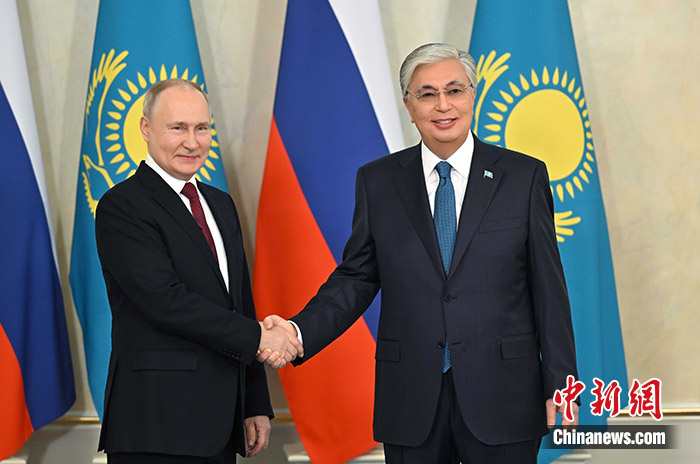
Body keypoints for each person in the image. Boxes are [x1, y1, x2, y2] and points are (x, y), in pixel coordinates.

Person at [263, 43, 579, 463]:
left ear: (473, 95)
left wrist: (562, 382)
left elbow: (548, 288)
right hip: (411, 398)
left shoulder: (524, 176)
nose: (443, 105)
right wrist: (297, 332)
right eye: (427, 94)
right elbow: (356, 278)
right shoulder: (378, 181)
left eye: (455, 90)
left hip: (504, 393)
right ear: (409, 106)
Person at [95, 78, 301, 463]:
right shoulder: (122, 206)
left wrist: (254, 401)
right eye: (178, 128)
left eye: (201, 128)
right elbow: (165, 302)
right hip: (156, 423)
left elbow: (240, 304)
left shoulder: (220, 204)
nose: (192, 142)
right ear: (146, 128)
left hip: (221, 421)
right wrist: (261, 337)